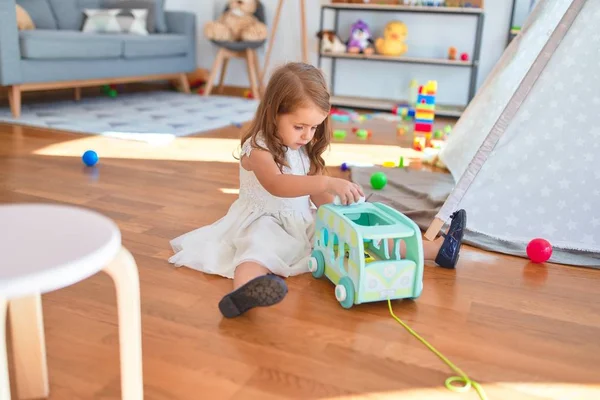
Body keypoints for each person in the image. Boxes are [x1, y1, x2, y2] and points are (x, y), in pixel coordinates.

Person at [169, 62, 466, 318]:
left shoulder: (304, 148)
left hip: (301, 220)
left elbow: (317, 196)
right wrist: (326, 181)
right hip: (262, 220)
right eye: (300, 127)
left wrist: (341, 212)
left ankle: (437, 249)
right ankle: (244, 293)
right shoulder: (257, 147)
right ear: (274, 113)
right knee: (255, 251)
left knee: (354, 241)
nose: (308, 135)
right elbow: (278, 184)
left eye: (314, 128)